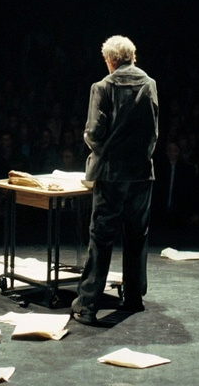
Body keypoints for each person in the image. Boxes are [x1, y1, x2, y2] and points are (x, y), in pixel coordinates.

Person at [72, 35, 158, 326]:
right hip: (141, 173)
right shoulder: (149, 85)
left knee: (102, 238)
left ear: (110, 60)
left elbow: (94, 133)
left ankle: (87, 305)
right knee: (136, 235)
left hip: (111, 175)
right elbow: (152, 133)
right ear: (133, 56)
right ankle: (133, 297)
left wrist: (105, 154)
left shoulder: (102, 87)